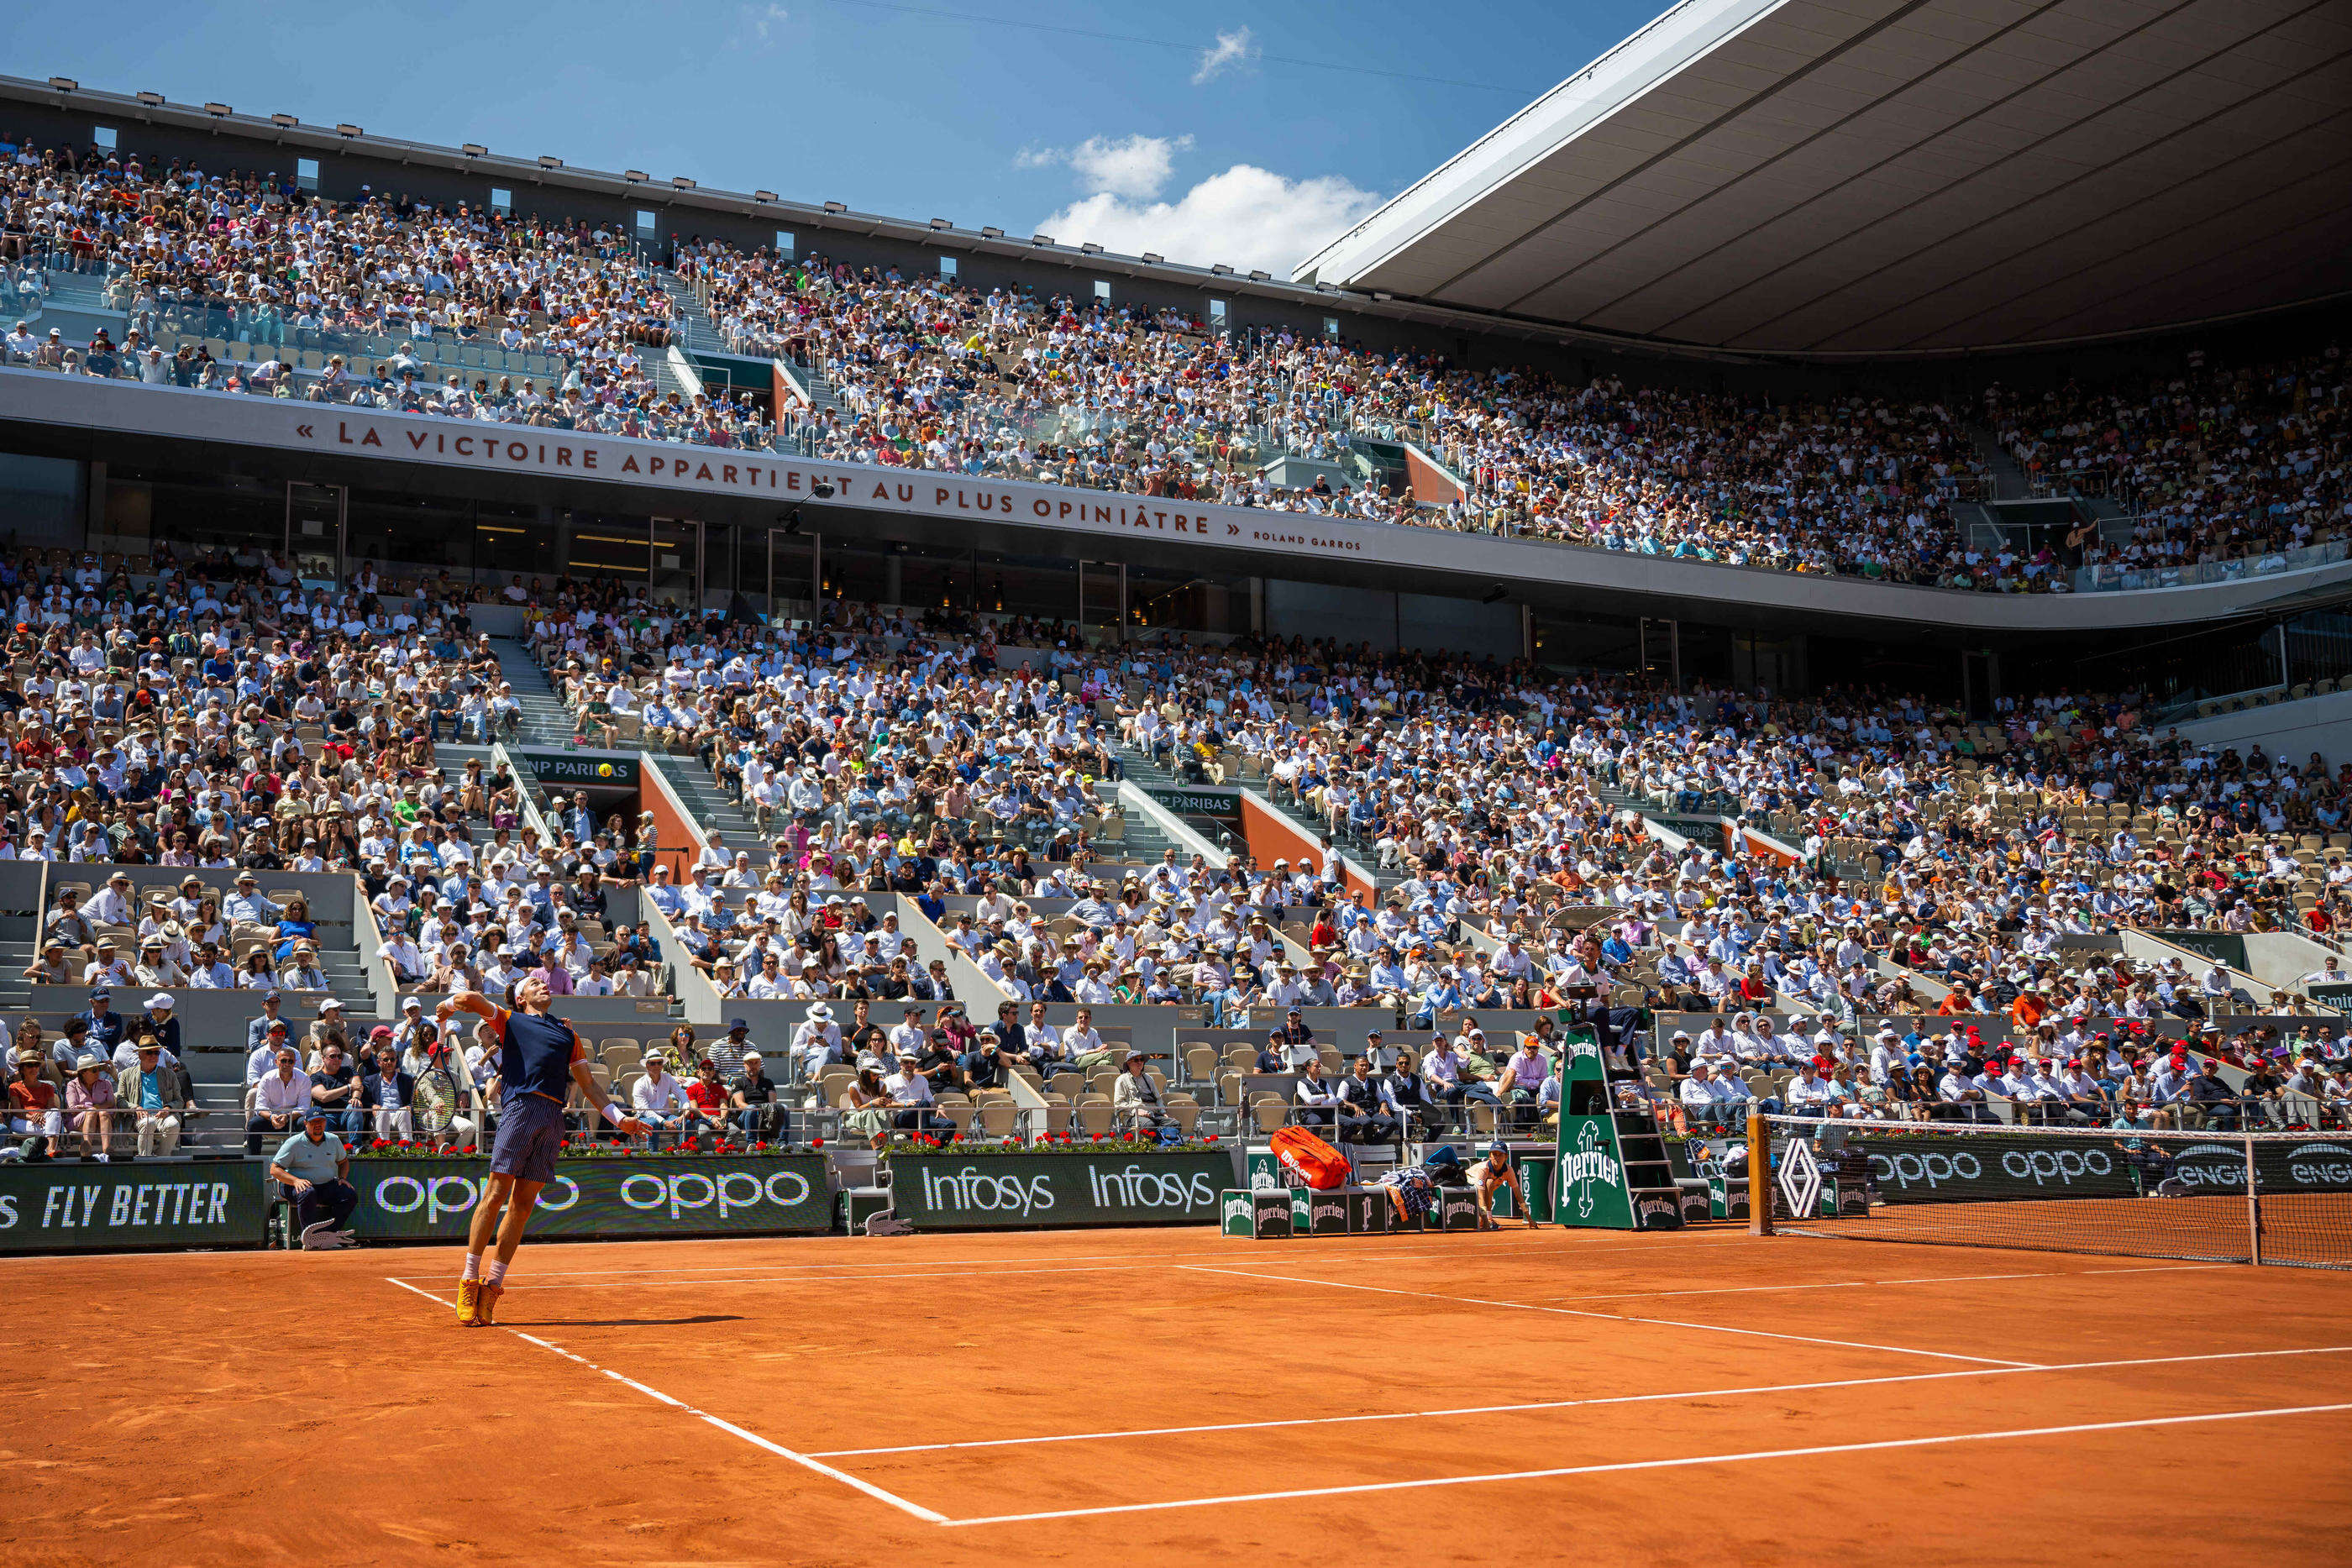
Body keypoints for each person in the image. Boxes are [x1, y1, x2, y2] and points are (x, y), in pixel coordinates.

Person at [435, 980, 646, 1327]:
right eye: (534, 983)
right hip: (519, 1109)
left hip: (552, 1118)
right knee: (495, 1194)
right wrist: (448, 1006)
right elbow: (471, 998)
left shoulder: (568, 1034)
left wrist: (619, 1119)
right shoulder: (510, 1019)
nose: (543, 984)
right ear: (521, 998)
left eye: (543, 981)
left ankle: (493, 1287)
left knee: (522, 1207)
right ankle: (469, 1279)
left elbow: (589, 1084)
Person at [270, 1106, 359, 1247]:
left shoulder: (334, 1140)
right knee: (308, 1192)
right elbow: (274, 1170)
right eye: (313, 1122)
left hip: (326, 1185)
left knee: (349, 1195)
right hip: (293, 1185)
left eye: (321, 1121)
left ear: (325, 1122)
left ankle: (328, 1237)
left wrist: (342, 1178)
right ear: (306, 1123)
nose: (318, 1124)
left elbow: (343, 1162)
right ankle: (310, 1238)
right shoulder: (294, 1142)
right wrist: (295, 1181)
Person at [117, 1040, 194, 1156]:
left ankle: (162, 1158)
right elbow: (121, 1100)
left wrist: (168, 1108)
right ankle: (145, 1159)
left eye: (156, 1053)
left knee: (173, 1125)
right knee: (149, 1122)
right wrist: (136, 1107)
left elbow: (179, 1100)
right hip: (139, 1116)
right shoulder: (126, 1074)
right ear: (140, 1055)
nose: (153, 1056)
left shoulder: (169, 1074)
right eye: (149, 1052)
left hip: (163, 1115)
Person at [249, 1044, 314, 1154]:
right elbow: (260, 1107)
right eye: (283, 1061)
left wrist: (287, 1116)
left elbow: (304, 1107)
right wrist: (272, 1116)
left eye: (290, 1061)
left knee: (305, 1123)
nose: (287, 1064)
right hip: (272, 1119)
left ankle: (304, 1159)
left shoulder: (304, 1078)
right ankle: (254, 1161)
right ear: (276, 1062)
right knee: (254, 1123)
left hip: (293, 1119)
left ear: (295, 1063)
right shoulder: (267, 1079)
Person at [1466, 1140, 1538, 1230]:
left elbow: (1518, 1194)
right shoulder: (1483, 1169)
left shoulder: (1508, 1170)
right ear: (1490, 1156)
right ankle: (1488, 1219)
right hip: (1467, 1189)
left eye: (1500, 1155)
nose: (1497, 1157)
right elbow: (1481, 1196)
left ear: (1506, 1157)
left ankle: (1486, 1220)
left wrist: (1529, 1219)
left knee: (1489, 1184)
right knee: (1489, 1183)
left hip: (1479, 1194)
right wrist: (1486, 1220)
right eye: (1494, 1154)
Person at [8, 1048, 63, 1162]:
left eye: (36, 1065)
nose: (34, 1068)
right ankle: (48, 1151)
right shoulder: (14, 1087)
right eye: (29, 1065)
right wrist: (32, 1117)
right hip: (22, 1120)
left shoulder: (48, 1087)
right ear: (22, 1069)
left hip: (42, 1119)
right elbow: (17, 1111)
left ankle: (49, 1150)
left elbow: (50, 1107)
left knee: (55, 1112)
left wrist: (39, 1115)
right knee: (53, 1128)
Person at [1336, 1053, 1400, 1145]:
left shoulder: (1373, 1082)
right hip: (1357, 1113)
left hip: (1372, 1112)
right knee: (1367, 1122)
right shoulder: (1347, 1082)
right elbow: (1339, 1100)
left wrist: (1383, 1104)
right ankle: (1368, 1142)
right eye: (1362, 1065)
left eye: (1366, 1065)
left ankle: (1372, 1144)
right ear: (1355, 1066)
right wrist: (1354, 1106)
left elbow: (1381, 1098)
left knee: (1392, 1123)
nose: (1364, 1067)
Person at [65, 1054, 116, 1160]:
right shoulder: (72, 1085)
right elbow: (72, 1109)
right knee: (92, 1112)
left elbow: (111, 1103)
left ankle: (107, 1149)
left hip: (102, 1120)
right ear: (83, 1072)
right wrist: (90, 1108)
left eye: (98, 1069)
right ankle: (86, 1146)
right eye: (94, 1070)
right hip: (78, 1121)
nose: (98, 1072)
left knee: (103, 1113)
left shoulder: (106, 1083)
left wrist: (97, 1107)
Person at [1110, 1051, 1169, 1137]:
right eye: (1136, 1060)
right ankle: (1150, 1148)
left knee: (1174, 1124)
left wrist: (1163, 1112)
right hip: (1132, 1117)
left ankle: (1166, 1146)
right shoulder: (1122, 1079)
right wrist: (1136, 1111)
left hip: (1153, 1114)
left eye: (1141, 1060)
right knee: (1149, 1125)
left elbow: (1158, 1098)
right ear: (1129, 1063)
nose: (1140, 1062)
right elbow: (1118, 1104)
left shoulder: (1148, 1078)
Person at [730, 1051, 780, 1142]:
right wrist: (758, 1112)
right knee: (751, 1108)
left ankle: (782, 1142)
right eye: (750, 1063)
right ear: (744, 1064)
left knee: (783, 1108)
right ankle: (751, 1142)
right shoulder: (739, 1082)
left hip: (765, 1115)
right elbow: (739, 1104)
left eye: (756, 1063)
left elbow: (772, 1103)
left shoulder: (768, 1082)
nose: (753, 1066)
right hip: (745, 1116)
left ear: (760, 1064)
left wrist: (762, 1114)